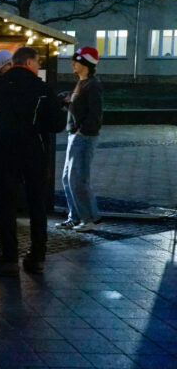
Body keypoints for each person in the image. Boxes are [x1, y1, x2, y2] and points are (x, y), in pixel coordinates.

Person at [0, 47, 67, 276]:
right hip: (35, 154)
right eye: (37, 63)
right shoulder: (42, 89)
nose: (38, 67)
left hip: (4, 155)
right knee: (36, 204)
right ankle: (37, 256)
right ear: (28, 62)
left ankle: (9, 257)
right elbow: (56, 124)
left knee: (6, 205)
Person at [58, 46, 104, 232]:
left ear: (85, 64)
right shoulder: (83, 83)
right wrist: (70, 102)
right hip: (76, 135)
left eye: (76, 61)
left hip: (83, 137)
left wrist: (82, 132)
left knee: (78, 179)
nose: (73, 64)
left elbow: (95, 114)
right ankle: (75, 217)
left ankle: (90, 218)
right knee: (68, 179)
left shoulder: (92, 85)